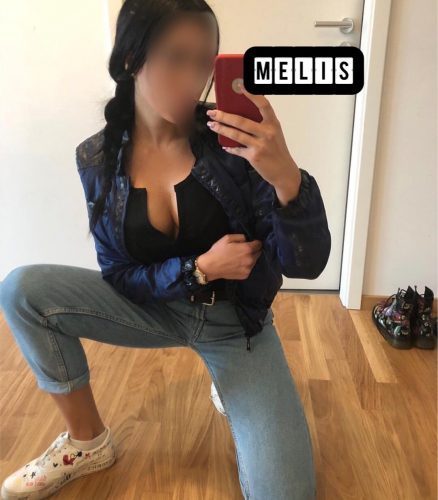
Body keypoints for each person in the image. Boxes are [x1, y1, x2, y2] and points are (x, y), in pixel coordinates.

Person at [0, 1, 330, 498]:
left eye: (204, 62)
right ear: (131, 58)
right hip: (153, 309)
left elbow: (306, 264)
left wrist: (287, 178)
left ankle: (230, 384)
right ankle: (87, 442)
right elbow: (119, 274)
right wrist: (199, 268)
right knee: (22, 290)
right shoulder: (97, 158)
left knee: (288, 493)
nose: (193, 79)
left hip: (235, 326)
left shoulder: (232, 142)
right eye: (176, 58)